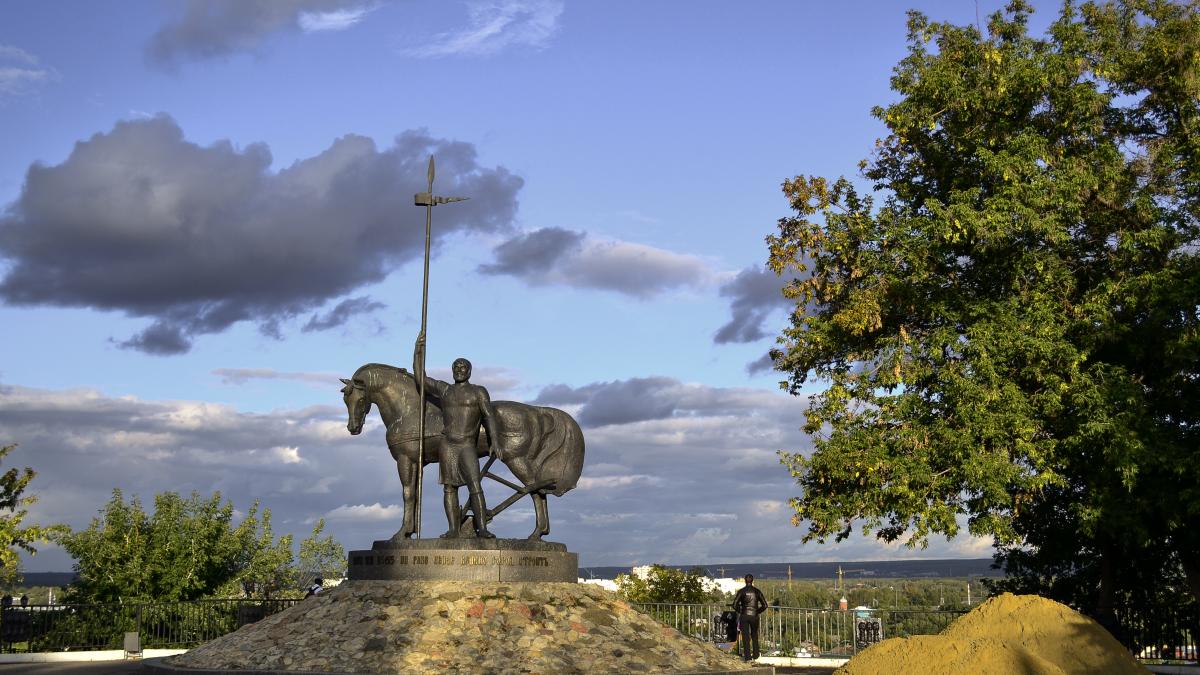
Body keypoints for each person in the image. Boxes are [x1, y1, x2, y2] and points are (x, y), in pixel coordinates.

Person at [414, 333, 502, 538]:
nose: (459, 370)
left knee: (475, 486)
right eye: (456, 367)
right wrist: (418, 351)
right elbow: (420, 378)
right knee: (449, 488)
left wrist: (495, 440)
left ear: (469, 371)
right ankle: (454, 529)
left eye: (463, 367)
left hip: (466, 445)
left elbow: (489, 417)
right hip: (448, 444)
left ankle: (482, 529)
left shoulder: (479, 392)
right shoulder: (445, 389)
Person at [733, 574, 768, 661]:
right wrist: (757, 611)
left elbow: (734, 605)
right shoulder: (757, 591)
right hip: (754, 616)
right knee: (754, 634)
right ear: (752, 580)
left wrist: (740, 611)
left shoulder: (741, 591)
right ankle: (756, 655)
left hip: (744, 615)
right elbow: (765, 605)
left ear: (745, 580)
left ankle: (748, 657)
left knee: (745, 636)